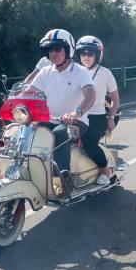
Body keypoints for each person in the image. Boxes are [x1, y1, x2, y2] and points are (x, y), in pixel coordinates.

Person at [30, 29, 96, 191]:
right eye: (50, 49)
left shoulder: (81, 72)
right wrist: (20, 105)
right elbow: (30, 93)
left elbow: (90, 95)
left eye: (58, 48)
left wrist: (76, 113)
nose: (54, 53)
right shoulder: (46, 72)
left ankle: (63, 181)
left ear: (68, 50)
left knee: (59, 133)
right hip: (51, 119)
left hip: (77, 122)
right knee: (28, 132)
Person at [75, 36, 119, 185]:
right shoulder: (75, 71)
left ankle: (104, 170)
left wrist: (111, 117)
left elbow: (115, 98)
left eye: (90, 54)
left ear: (97, 55)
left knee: (89, 143)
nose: (86, 57)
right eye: (83, 54)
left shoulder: (105, 73)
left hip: (97, 117)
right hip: (78, 116)